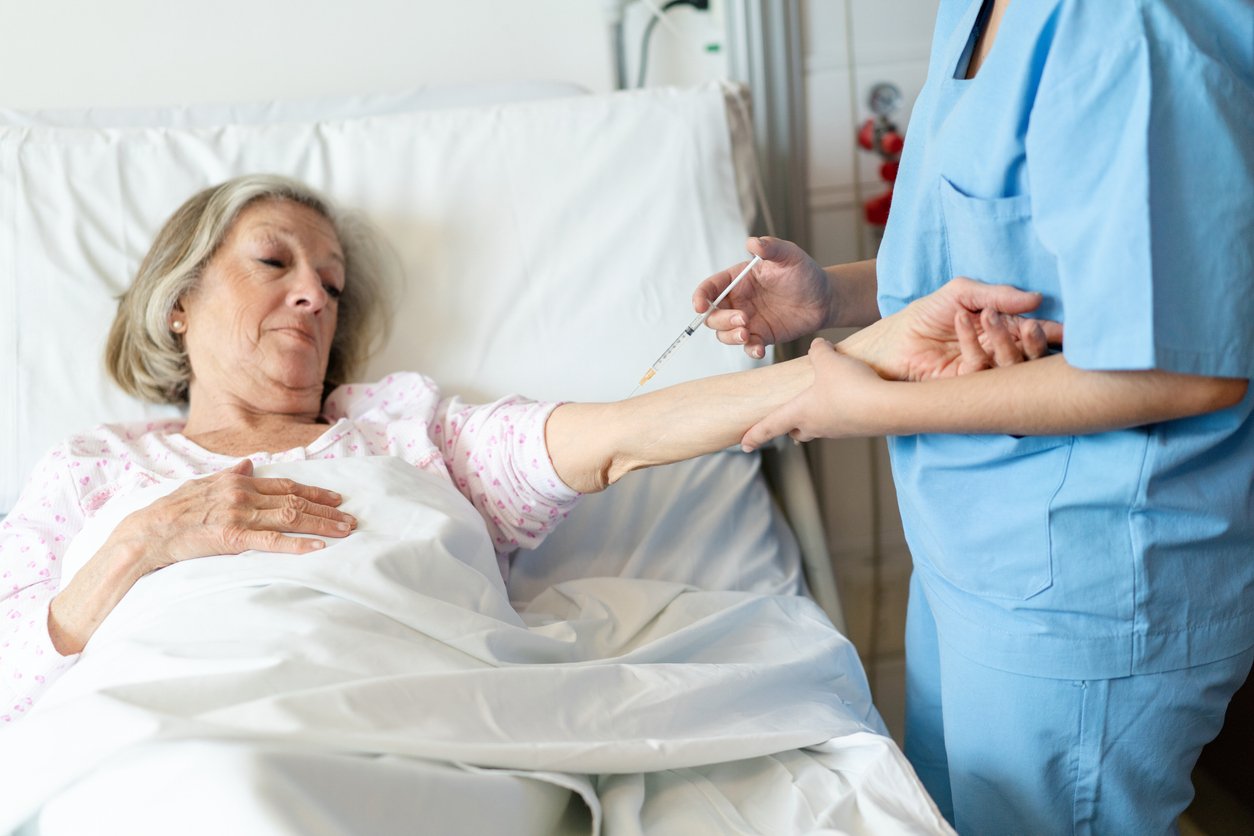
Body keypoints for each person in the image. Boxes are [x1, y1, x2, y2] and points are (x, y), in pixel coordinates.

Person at [0, 173, 1048, 726]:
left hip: (397, 711)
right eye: (273, 261)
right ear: (177, 303)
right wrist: (145, 541)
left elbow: (618, 437)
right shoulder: (96, 472)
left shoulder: (408, 431)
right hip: (157, 739)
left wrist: (877, 350)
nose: (314, 293)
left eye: (332, 280)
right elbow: (13, 684)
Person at [692, 1, 1253, 833]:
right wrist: (829, 296)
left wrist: (880, 407)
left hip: (1090, 581)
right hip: (975, 552)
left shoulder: (1124, 28)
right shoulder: (979, 9)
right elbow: (1001, 253)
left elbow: (1187, 368)